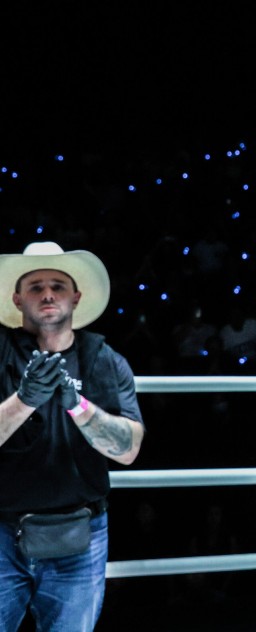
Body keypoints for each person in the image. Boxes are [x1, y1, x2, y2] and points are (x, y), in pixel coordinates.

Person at [0, 241, 145, 631]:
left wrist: (77, 404)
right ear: (17, 298)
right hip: (1, 531)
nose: (47, 293)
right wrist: (24, 400)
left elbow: (129, 449)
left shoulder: (104, 359)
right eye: (35, 286)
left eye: (58, 285)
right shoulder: (1, 352)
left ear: (76, 296)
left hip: (81, 534)